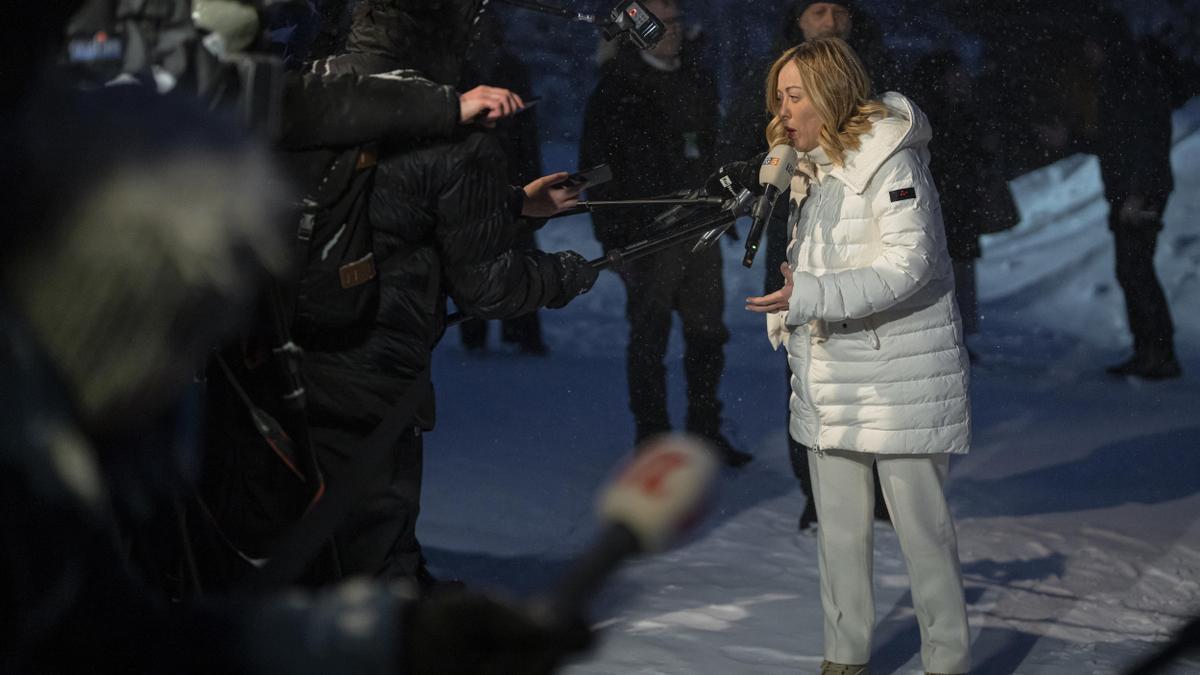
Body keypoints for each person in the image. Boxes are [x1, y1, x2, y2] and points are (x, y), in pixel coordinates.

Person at [0, 47, 589, 673]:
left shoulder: (77, 462)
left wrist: (389, 641)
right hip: (369, 380)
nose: (186, 368)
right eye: (179, 328)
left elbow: (133, 640)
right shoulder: (31, 490)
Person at [197, 0, 599, 591]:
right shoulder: (457, 134)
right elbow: (489, 286)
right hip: (375, 380)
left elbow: (386, 200)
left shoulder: (307, 96)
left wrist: (511, 204)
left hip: (277, 363)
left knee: (287, 549)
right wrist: (565, 274)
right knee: (373, 555)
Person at [745, 38, 971, 675]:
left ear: (832, 93)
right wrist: (797, 297)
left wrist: (810, 293)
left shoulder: (892, 163)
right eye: (778, 98)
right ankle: (845, 658)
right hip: (831, 375)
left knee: (923, 536)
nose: (783, 111)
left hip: (900, 377)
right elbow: (831, 267)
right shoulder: (813, 171)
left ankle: (947, 661)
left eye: (794, 96)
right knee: (839, 535)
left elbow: (910, 265)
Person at [720, 0, 896, 526]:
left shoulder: (875, 74)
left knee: (875, 359)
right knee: (810, 363)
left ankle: (881, 487)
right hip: (800, 233)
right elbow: (740, 148)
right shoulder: (778, 76)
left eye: (840, 10)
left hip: (868, 237)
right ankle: (817, 490)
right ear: (798, 19)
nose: (831, 20)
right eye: (818, 10)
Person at [579, 0, 751, 468]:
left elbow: (715, 144)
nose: (673, 30)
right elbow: (596, 170)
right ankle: (652, 441)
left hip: (699, 227)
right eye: (662, 22)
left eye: (676, 21)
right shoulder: (616, 90)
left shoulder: (696, 78)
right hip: (644, 236)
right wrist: (612, 241)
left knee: (707, 334)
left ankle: (703, 431)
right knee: (649, 338)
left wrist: (726, 197)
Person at [1032, 11, 1180, 380]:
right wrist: (1072, 141)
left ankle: (1158, 354)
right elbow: (1117, 142)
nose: (1088, 52)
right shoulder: (1122, 80)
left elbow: (1145, 141)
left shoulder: (1133, 81)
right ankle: (1150, 350)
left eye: (1093, 44)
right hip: (1132, 190)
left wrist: (1138, 192)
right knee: (1133, 270)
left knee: (1136, 270)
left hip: (1139, 193)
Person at [909, 50, 1018, 359]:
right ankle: (943, 336)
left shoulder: (963, 114)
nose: (961, 82)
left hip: (958, 207)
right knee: (940, 271)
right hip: (941, 207)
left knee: (956, 272)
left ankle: (953, 336)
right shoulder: (932, 118)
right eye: (953, 76)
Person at [458, 12, 551, 355]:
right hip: (477, 174)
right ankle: (481, 331)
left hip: (506, 172)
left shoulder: (505, 68)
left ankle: (514, 330)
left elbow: (526, 130)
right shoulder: (465, 69)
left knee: (514, 252)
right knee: (477, 253)